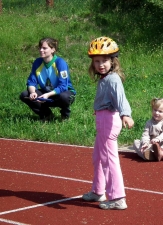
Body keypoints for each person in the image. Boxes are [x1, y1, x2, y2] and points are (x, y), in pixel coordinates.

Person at [82, 36, 134, 210]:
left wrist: (126, 114)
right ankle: (98, 190)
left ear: (113, 61)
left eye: (104, 60)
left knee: (109, 159)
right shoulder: (105, 78)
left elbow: (121, 98)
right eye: (97, 61)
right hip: (102, 119)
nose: (100, 64)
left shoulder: (112, 79)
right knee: (98, 157)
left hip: (108, 121)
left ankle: (118, 197)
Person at [19, 37, 76, 121]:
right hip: (46, 92)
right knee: (24, 95)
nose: (41, 50)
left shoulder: (60, 63)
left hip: (63, 93)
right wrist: (33, 92)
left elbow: (63, 86)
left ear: (53, 49)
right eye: (40, 48)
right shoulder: (37, 62)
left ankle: (65, 115)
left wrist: (48, 95)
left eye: (44, 48)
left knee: (64, 97)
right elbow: (31, 81)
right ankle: (47, 114)